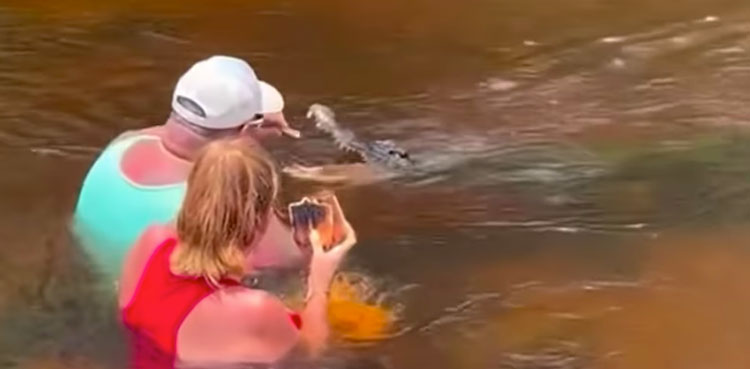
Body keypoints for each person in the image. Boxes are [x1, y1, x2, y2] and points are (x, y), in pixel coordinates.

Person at [118, 138, 356, 366]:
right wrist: (319, 283)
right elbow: (311, 351)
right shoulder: (255, 310)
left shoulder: (150, 243)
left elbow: (200, 259)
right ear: (260, 220)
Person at [73, 55, 303, 279]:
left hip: (105, 285)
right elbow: (292, 258)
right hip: (172, 312)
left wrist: (250, 128)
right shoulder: (225, 196)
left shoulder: (123, 142)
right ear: (245, 132)